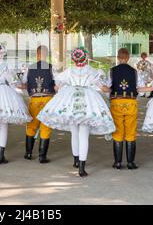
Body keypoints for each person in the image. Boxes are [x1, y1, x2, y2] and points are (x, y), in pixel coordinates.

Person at [38, 47, 115, 177]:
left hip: (71, 99)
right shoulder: (92, 71)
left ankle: (75, 161)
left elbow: (57, 86)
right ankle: (82, 168)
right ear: (85, 58)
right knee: (83, 135)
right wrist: (112, 89)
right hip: (88, 100)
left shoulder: (69, 71)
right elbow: (103, 88)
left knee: (74, 133)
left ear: (74, 58)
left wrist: (57, 92)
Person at [103, 48, 144, 170]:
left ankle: (118, 162)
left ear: (118, 57)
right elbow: (140, 88)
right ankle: (130, 163)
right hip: (131, 102)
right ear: (128, 58)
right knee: (131, 132)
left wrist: (110, 93)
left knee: (118, 132)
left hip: (116, 102)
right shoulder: (134, 72)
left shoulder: (112, 71)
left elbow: (106, 87)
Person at [19, 45, 55, 163]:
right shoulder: (51, 68)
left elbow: (24, 83)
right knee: (46, 127)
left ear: (37, 54)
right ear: (46, 54)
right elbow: (57, 85)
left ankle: (28, 153)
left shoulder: (30, 68)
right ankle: (42, 156)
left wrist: (27, 88)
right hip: (48, 100)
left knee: (31, 126)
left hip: (34, 99)